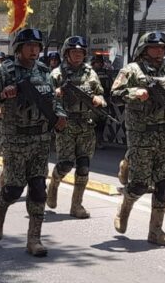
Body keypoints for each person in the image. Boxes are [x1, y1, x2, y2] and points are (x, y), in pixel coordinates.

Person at [0, 28, 66, 257]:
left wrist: (60, 116)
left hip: (40, 139)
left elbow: (51, 100)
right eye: (29, 46)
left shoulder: (43, 71)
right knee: (13, 188)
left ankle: (34, 239)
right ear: (19, 49)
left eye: (37, 46)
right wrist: (2, 96)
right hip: (14, 138)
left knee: (39, 188)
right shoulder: (6, 72)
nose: (34, 50)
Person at [111, 31, 165, 246]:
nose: (159, 51)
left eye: (162, 47)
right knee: (139, 184)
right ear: (144, 49)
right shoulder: (132, 70)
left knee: (164, 185)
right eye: (154, 47)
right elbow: (114, 93)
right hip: (142, 135)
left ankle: (155, 231)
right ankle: (126, 205)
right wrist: (135, 93)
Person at [47, 36, 106, 219]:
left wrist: (99, 100)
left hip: (86, 124)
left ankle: (77, 205)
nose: (78, 55)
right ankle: (54, 182)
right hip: (66, 123)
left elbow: (100, 95)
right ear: (67, 54)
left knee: (84, 166)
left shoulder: (90, 73)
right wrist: (55, 94)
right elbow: (45, 98)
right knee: (65, 164)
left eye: (81, 52)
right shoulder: (57, 74)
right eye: (74, 52)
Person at [91, 55, 115, 149]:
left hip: (104, 100)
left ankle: (98, 141)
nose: (99, 64)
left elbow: (111, 86)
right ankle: (92, 142)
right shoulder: (90, 74)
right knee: (92, 123)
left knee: (101, 123)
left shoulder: (106, 73)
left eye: (100, 62)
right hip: (93, 101)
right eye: (97, 62)